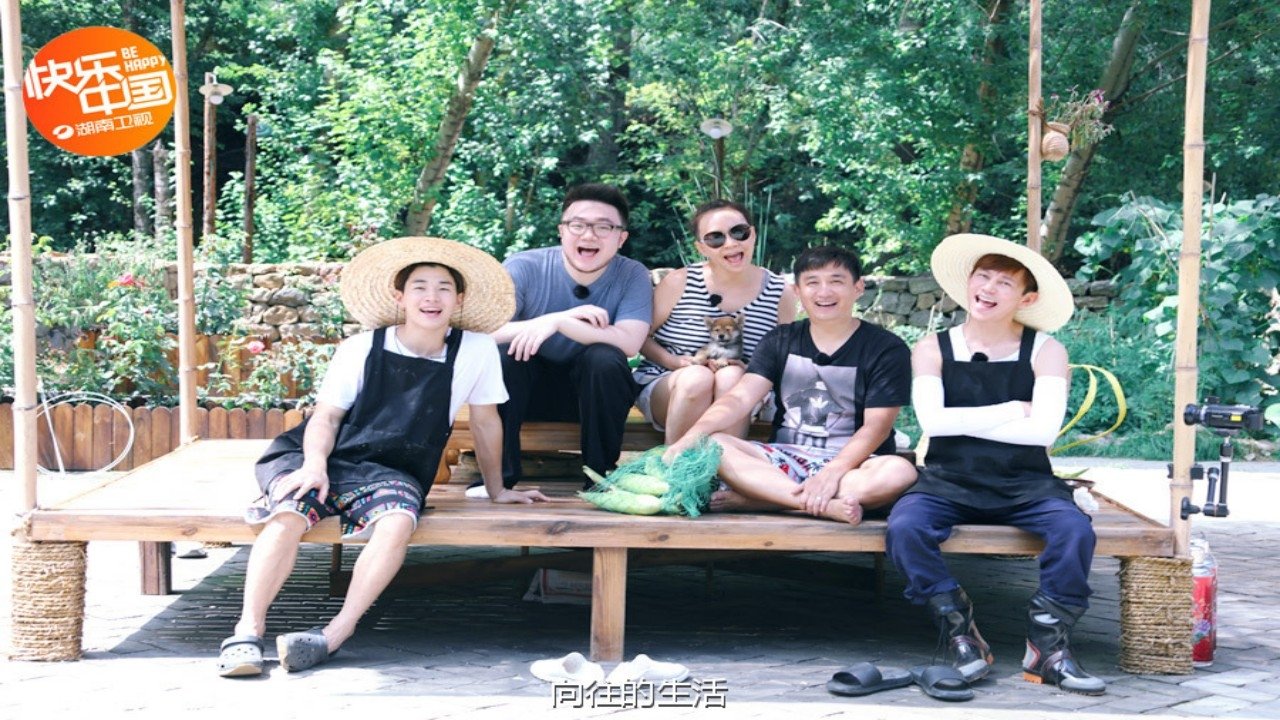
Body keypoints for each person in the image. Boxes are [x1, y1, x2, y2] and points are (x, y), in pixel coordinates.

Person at [217, 237, 555, 678]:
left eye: (443, 288)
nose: (431, 297)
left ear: (459, 299)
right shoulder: (360, 347)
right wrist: (314, 465)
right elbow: (326, 418)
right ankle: (246, 632)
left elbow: (487, 422)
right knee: (289, 513)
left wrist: (498, 489)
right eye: (420, 287)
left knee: (397, 521)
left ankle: (331, 636)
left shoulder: (476, 350)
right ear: (399, 296)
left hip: (395, 469)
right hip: (325, 454)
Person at [884, 234, 1105, 695]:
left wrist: (964, 421)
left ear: (1027, 298)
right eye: (982, 277)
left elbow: (1042, 433)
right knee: (905, 528)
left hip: (1026, 484)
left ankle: (1048, 648)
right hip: (948, 480)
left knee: (1074, 531)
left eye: (1004, 283)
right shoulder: (931, 348)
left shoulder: (1046, 351)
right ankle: (961, 632)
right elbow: (933, 424)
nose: (988, 289)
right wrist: (1013, 409)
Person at [664, 246, 917, 524]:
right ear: (797, 291)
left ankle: (766, 500)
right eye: (812, 282)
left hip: (852, 464)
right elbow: (739, 399)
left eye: (836, 281)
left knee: (899, 472)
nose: (824, 292)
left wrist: (832, 473)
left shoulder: (886, 348)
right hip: (783, 460)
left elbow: (877, 427)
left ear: (858, 287)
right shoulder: (780, 339)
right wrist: (691, 437)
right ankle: (807, 503)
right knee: (715, 445)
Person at [488, 183, 653, 490]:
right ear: (561, 231)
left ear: (621, 238)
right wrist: (553, 319)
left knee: (605, 357)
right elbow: (486, 332)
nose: (589, 235)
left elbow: (630, 342)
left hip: (593, 397)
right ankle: (499, 477)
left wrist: (564, 324)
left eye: (603, 227)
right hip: (523, 394)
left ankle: (600, 476)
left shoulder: (632, 274)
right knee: (505, 354)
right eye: (578, 225)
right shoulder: (524, 266)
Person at [634, 200, 797, 444]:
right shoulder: (679, 282)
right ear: (701, 247)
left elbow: (783, 359)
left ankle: (725, 465)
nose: (730, 243)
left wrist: (752, 371)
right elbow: (639, 336)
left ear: (753, 234)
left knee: (731, 377)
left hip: (741, 389)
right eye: (715, 238)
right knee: (697, 378)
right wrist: (675, 362)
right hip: (670, 383)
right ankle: (675, 464)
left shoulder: (779, 291)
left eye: (739, 232)